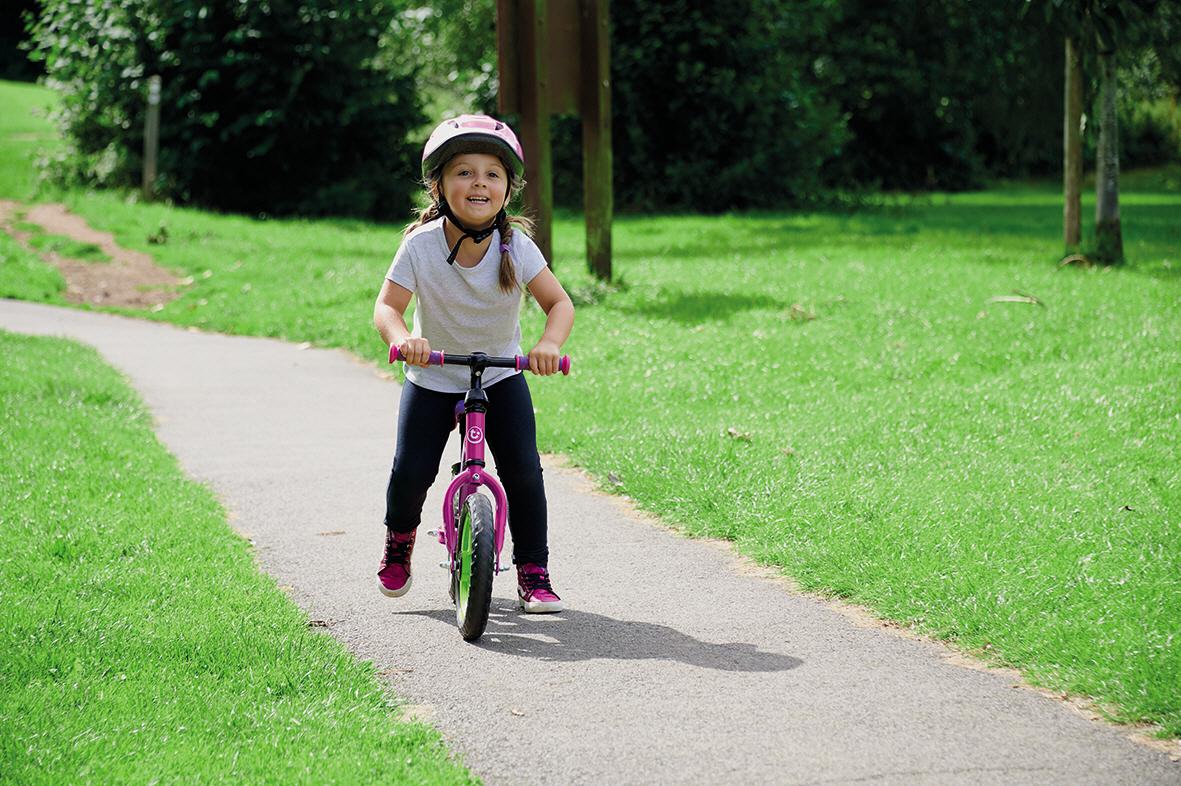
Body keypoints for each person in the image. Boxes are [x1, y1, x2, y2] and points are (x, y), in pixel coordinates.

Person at [373, 114, 575, 613]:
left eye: (492, 173)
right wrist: (403, 339)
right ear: (439, 185)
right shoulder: (420, 246)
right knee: (411, 471)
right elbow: (386, 307)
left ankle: (534, 571)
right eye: (464, 172)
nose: (479, 182)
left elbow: (560, 304)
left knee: (524, 472)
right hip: (433, 376)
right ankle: (400, 541)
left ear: (508, 188)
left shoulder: (516, 246)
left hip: (501, 374)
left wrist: (549, 344)